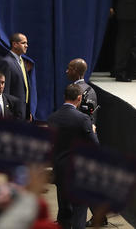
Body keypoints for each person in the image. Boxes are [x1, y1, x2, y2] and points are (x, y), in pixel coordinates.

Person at [48, 84, 99, 229]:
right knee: (79, 212)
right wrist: (93, 131)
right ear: (79, 98)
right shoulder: (83, 119)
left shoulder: (52, 118)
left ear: (64, 97)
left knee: (64, 212)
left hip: (60, 170)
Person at [0, 33, 33, 120]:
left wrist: (27, 111)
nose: (26, 45)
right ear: (15, 44)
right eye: (23, 43)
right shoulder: (7, 62)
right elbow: (5, 90)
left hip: (23, 112)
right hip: (13, 114)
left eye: (26, 43)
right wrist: (8, 113)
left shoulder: (22, 61)